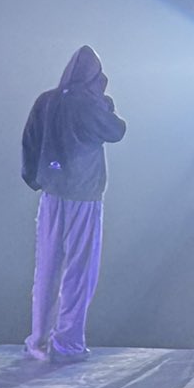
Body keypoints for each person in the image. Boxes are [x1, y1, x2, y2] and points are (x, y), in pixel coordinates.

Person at [21, 45, 126, 364]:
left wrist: (36, 178)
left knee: (47, 266)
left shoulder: (46, 101)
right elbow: (117, 130)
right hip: (84, 195)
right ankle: (68, 341)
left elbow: (29, 141)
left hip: (52, 193)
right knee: (79, 270)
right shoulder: (89, 104)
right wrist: (105, 102)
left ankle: (38, 338)